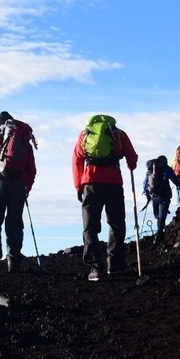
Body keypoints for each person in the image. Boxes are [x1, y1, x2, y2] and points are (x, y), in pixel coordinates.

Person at [71, 114, 138, 281]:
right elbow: (133, 158)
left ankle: (95, 268)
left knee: (90, 226)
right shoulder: (119, 134)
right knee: (116, 222)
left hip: (90, 182)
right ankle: (115, 264)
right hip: (114, 182)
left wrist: (79, 186)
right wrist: (130, 164)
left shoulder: (84, 135)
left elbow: (76, 161)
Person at [0, 111, 37, 272]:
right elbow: (32, 170)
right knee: (15, 222)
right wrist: (26, 188)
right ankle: (13, 258)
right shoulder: (24, 141)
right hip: (18, 185)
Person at [142, 154, 180, 242]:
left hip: (154, 197)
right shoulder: (165, 168)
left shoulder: (150, 170)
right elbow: (173, 178)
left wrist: (147, 195)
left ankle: (159, 236)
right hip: (164, 196)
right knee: (162, 216)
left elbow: (145, 184)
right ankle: (158, 237)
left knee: (158, 217)